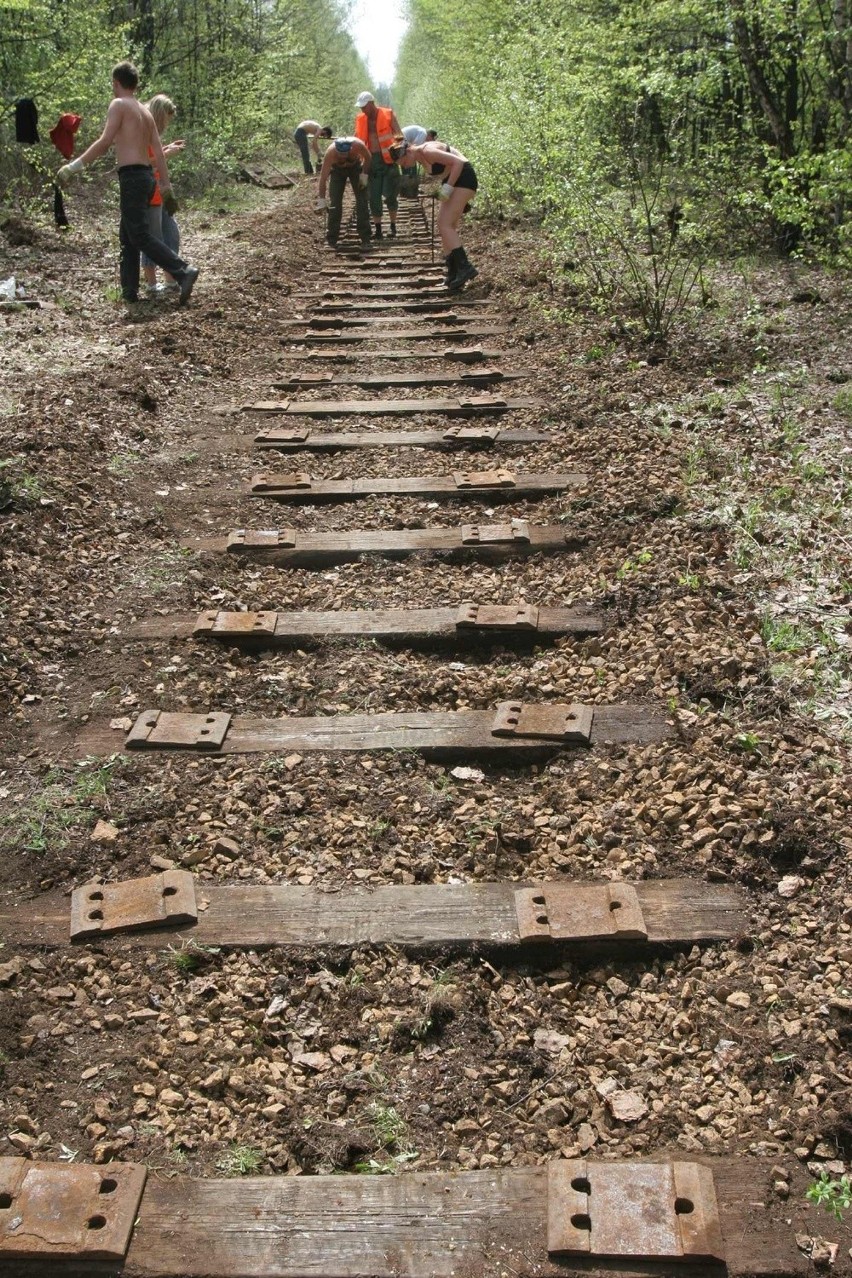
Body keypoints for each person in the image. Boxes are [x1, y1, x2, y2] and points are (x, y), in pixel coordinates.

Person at [56, 61, 199, 305]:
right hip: (145, 178)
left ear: (116, 83)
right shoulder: (145, 112)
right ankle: (129, 291)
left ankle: (183, 271)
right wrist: (166, 187)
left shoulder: (119, 104)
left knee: (140, 235)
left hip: (132, 177)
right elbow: (159, 153)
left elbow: (104, 142)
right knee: (127, 235)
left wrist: (73, 167)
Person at [389, 138, 478, 290]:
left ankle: (465, 268)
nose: (404, 167)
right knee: (445, 226)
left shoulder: (427, 151)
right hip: (453, 181)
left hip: (464, 178)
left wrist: (448, 188)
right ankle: (453, 273)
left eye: (403, 163)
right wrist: (446, 187)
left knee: (445, 225)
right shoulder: (419, 157)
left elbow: (459, 163)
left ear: (408, 152)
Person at [141, 94, 184, 297]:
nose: (168, 121)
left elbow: (154, 156)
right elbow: (143, 162)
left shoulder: (154, 133)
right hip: (149, 191)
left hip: (161, 191)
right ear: (160, 114)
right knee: (153, 238)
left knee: (171, 234)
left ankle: (170, 279)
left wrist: (167, 149)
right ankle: (151, 284)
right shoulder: (143, 129)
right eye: (167, 116)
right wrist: (167, 154)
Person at [353, 91, 401, 239]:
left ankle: (393, 226)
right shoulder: (361, 119)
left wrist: (400, 153)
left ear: (372, 104)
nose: (362, 110)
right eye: (360, 107)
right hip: (370, 162)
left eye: (364, 107)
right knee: (373, 196)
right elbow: (357, 138)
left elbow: (399, 135)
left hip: (389, 161)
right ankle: (378, 230)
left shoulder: (387, 114)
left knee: (391, 195)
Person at [315, 137, 372, 250]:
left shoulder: (358, 146)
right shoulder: (330, 154)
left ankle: (365, 238)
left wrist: (363, 177)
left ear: (351, 149)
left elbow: (368, 158)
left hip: (356, 168)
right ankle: (331, 239)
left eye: (345, 155)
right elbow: (323, 179)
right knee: (335, 202)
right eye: (340, 156)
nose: (342, 158)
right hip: (337, 171)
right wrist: (321, 200)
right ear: (336, 151)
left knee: (362, 200)